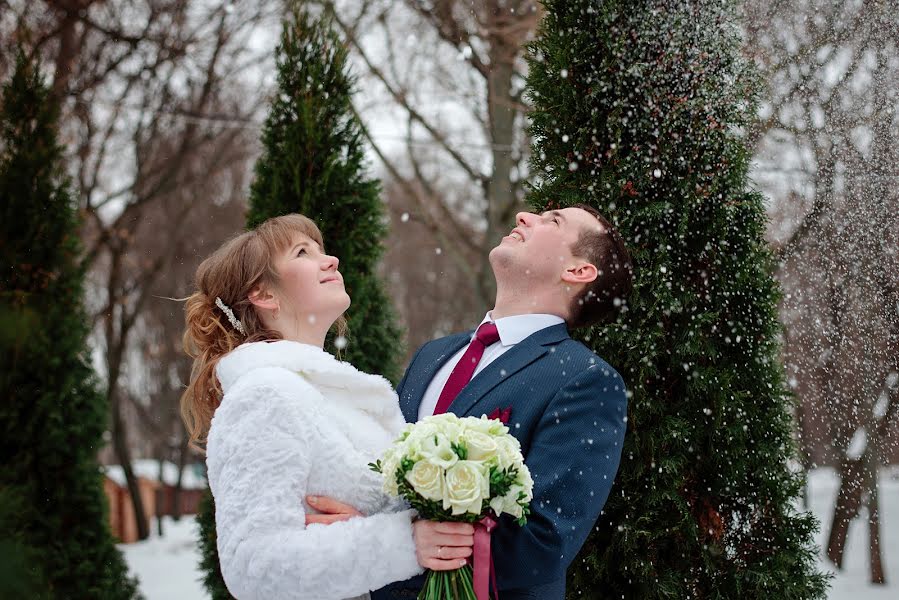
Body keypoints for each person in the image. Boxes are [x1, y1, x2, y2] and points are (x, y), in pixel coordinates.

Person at [311, 204, 634, 600]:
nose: (523, 216)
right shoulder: (433, 355)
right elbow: (387, 479)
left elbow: (544, 540)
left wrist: (401, 548)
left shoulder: (585, 380)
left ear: (578, 271)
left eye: (552, 221)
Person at [180, 214, 474, 600]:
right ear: (264, 295)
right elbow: (254, 566)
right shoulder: (265, 395)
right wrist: (404, 542)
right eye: (303, 252)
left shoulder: (332, 398)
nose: (331, 259)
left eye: (322, 249)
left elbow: (369, 526)